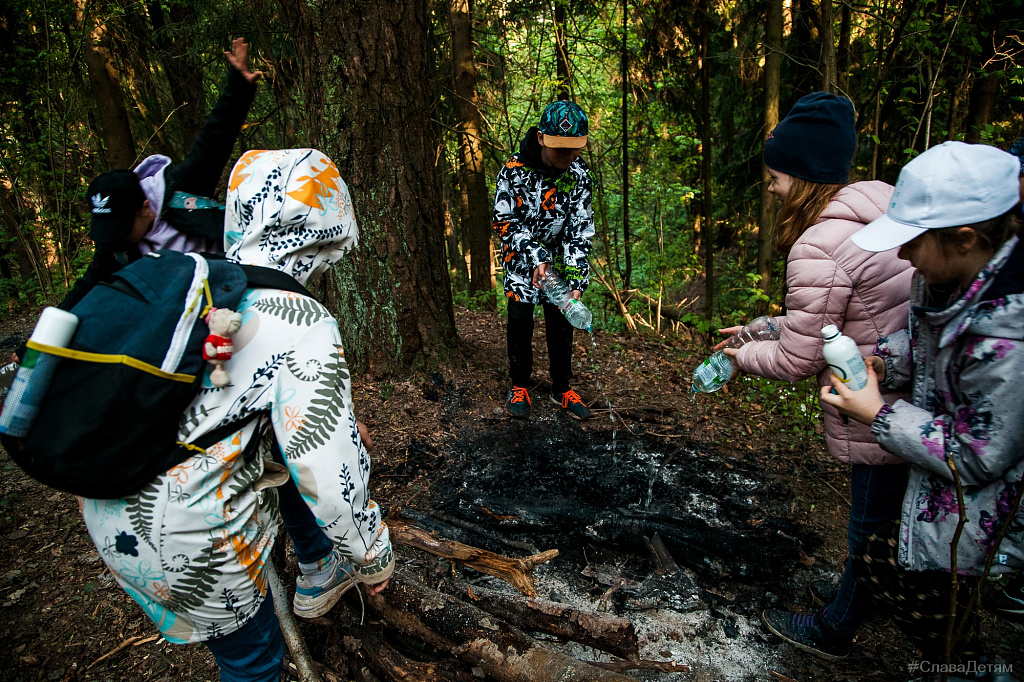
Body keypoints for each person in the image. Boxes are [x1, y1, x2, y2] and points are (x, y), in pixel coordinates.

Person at [79, 148, 394, 681]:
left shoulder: (198, 281)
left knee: (240, 651)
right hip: (188, 535)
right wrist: (372, 556)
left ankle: (311, 575)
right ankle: (322, 574)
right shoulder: (302, 321)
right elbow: (328, 467)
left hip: (113, 509)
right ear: (323, 229)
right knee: (256, 667)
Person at [716, 92, 914, 659]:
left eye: (776, 176)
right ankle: (858, 599)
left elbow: (800, 358)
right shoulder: (880, 207)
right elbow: (826, 320)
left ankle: (835, 630)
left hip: (875, 400)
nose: (771, 188)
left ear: (802, 177)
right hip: (908, 384)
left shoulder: (818, 245)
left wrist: (737, 358)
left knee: (869, 527)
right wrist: (759, 327)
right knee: (886, 521)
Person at [823, 141, 1024, 681]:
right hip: (942, 499)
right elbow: (924, 341)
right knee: (886, 566)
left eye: (911, 241)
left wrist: (878, 416)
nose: (903, 255)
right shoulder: (942, 278)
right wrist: (884, 363)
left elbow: (977, 454)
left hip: (982, 509)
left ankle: (968, 669)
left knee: (934, 602)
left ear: (964, 239)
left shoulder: (1010, 335)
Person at [58, 37, 262, 312]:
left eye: (122, 227)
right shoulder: (116, 244)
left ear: (146, 208)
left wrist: (239, 85)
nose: (115, 237)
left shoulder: (182, 189)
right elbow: (87, 286)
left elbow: (214, 140)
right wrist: (35, 345)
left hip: (232, 288)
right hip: (177, 313)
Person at [493, 100, 595, 420]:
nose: (567, 156)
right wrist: (536, 256)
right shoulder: (513, 172)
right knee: (521, 319)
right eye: (560, 149)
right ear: (541, 139)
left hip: (560, 261)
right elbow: (505, 222)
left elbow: (580, 229)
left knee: (562, 322)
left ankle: (561, 387)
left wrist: (576, 276)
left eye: (573, 149)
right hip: (522, 260)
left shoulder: (579, 176)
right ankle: (520, 384)